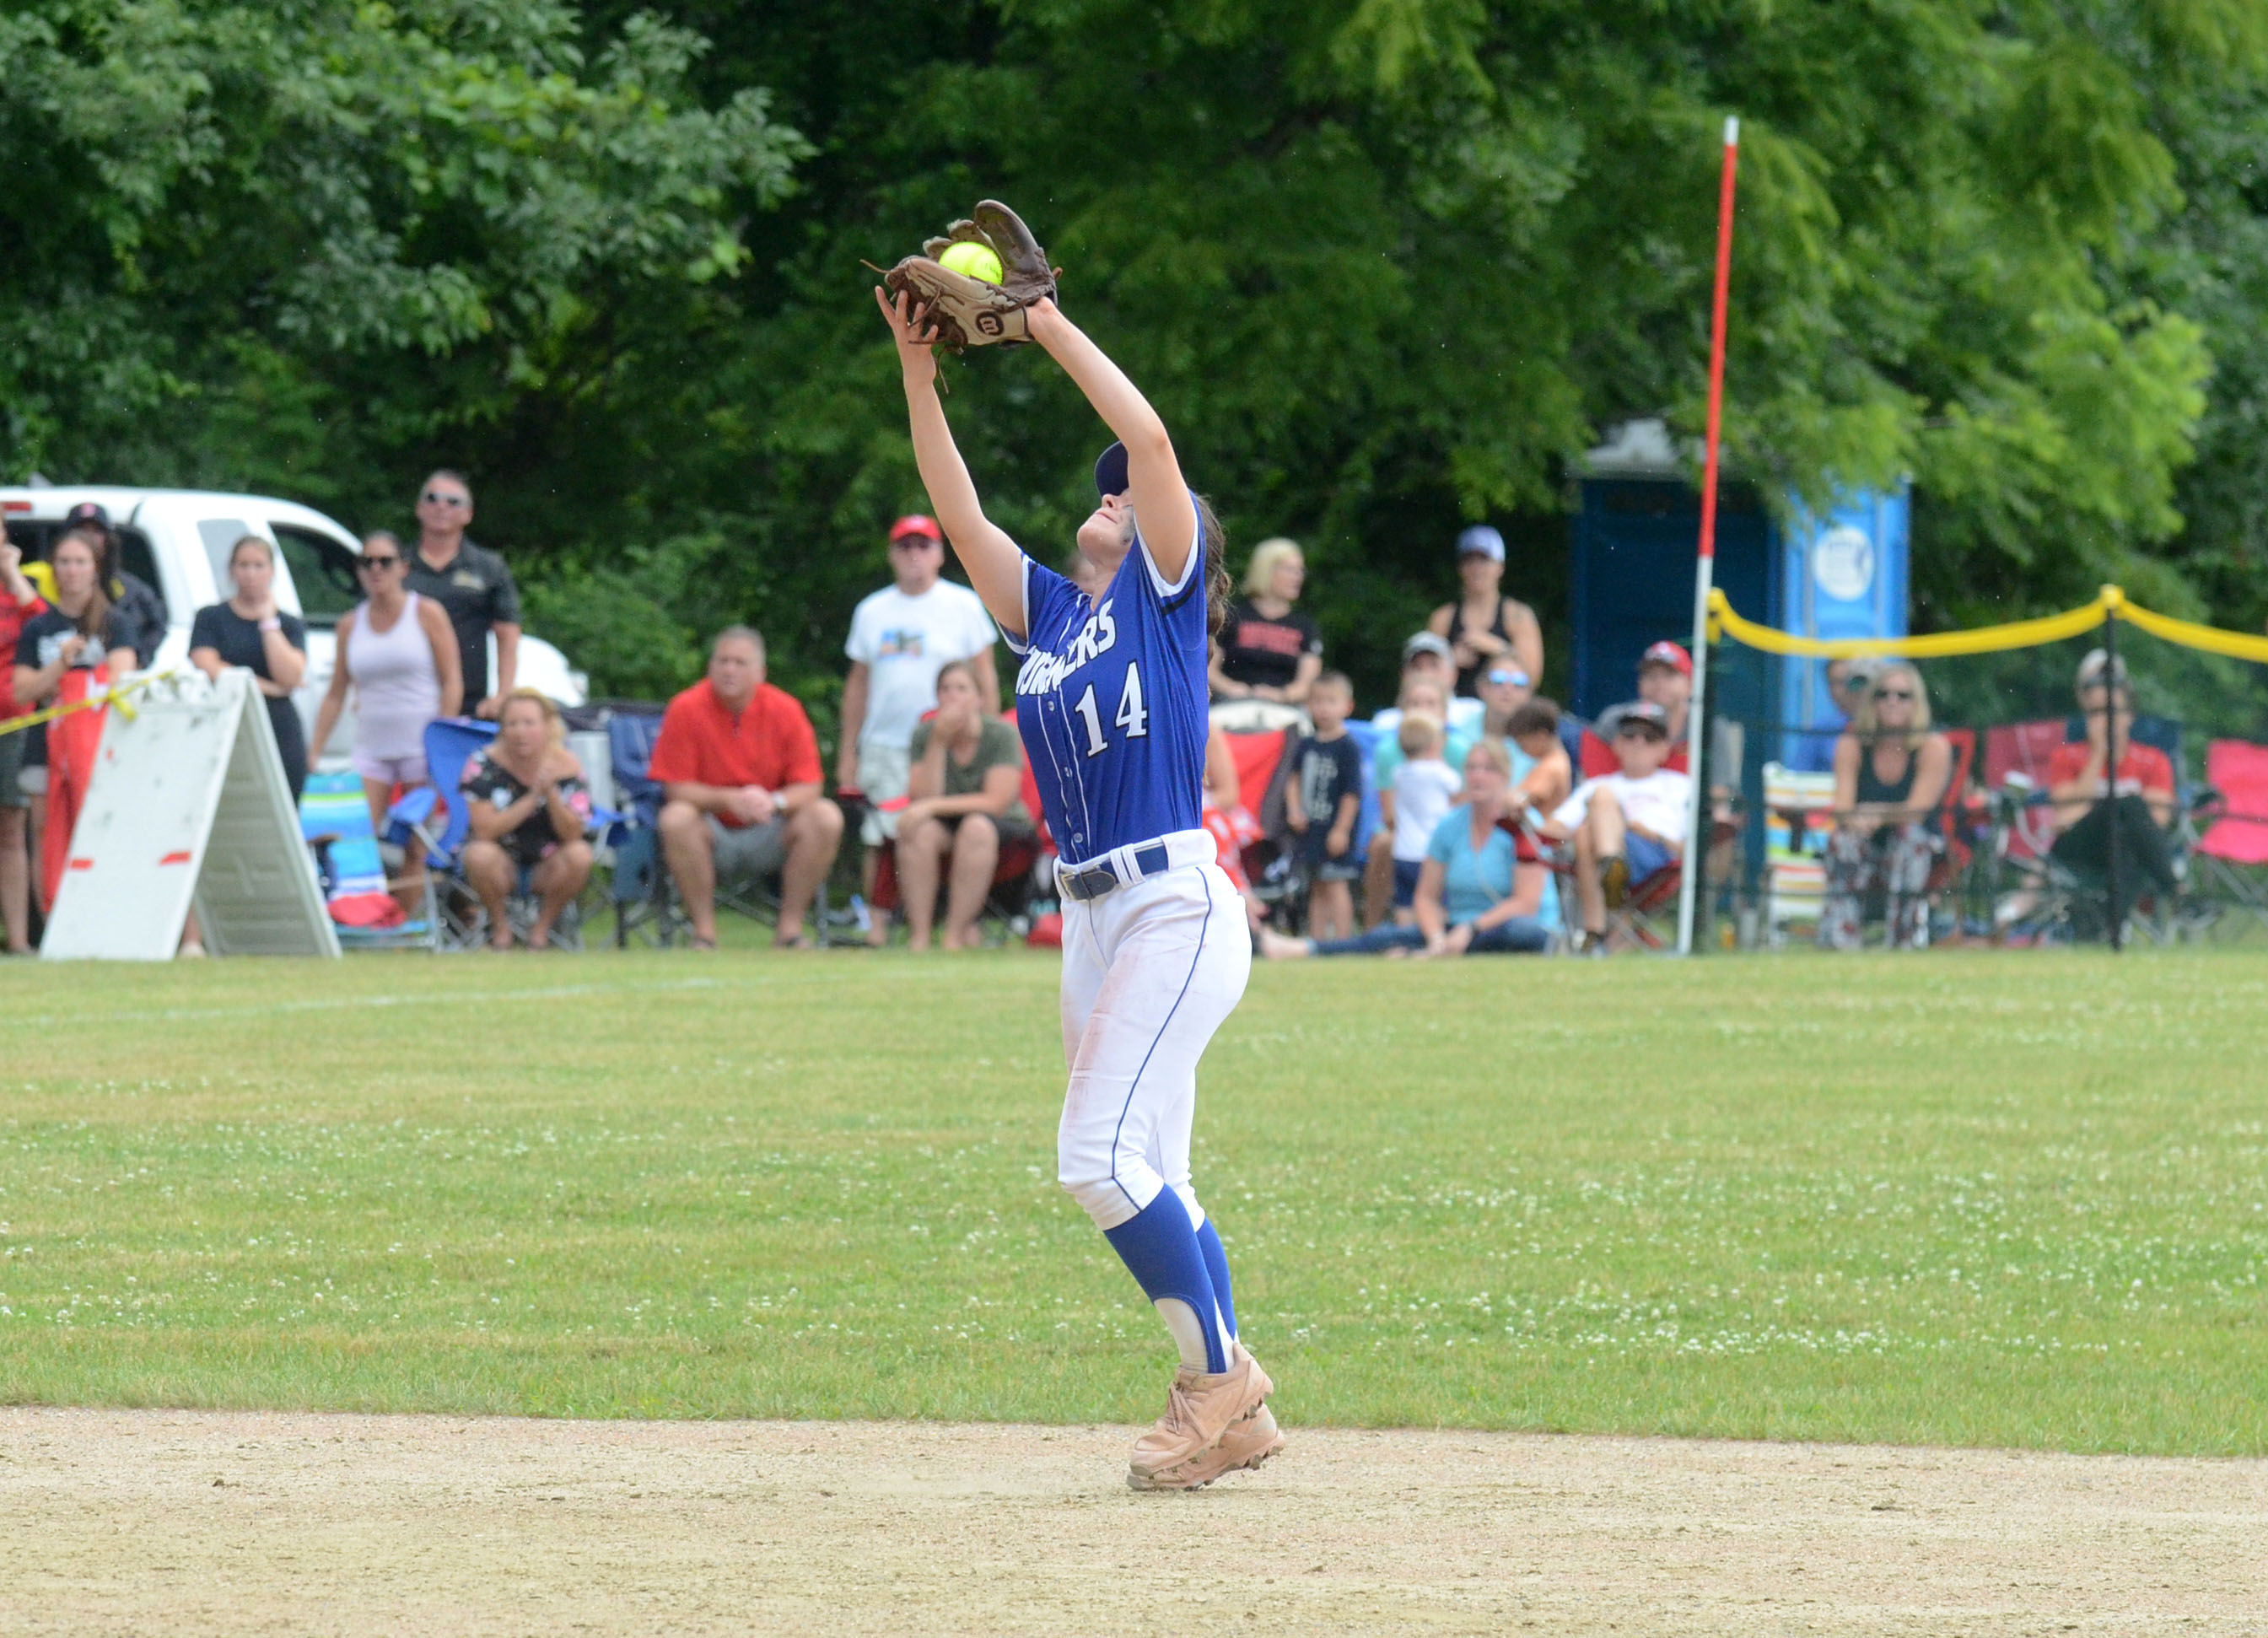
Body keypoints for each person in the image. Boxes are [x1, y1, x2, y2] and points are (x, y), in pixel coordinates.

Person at [879, 204, 1279, 1492]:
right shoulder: (1052, 615)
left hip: (1173, 902)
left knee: (1094, 1158)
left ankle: (1223, 1380)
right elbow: (959, 519)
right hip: (1089, 919)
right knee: (1149, 1162)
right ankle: (1232, 1403)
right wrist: (920, 369)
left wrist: (1039, 317)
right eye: (1101, 492)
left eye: (1130, 496)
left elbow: (1148, 436)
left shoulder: (1164, 602)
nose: (1109, 495)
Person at [838, 512, 999, 945]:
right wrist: (848, 751)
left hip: (954, 743)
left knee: (957, 826)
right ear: (892, 555)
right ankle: (877, 921)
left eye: (923, 545)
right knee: (881, 833)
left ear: (939, 554)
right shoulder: (872, 610)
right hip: (888, 740)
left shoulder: (963, 604)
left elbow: (985, 672)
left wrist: (988, 729)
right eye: (905, 546)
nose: (914, 554)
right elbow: (858, 684)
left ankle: (963, 920)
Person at [1259, 739, 1549, 957]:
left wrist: (1471, 929)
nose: (1478, 776)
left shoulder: (1522, 824)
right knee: (1386, 935)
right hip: (1456, 928)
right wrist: (1437, 937)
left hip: (1504, 927)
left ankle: (1427, 951)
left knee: (1521, 933)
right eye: (1472, 768)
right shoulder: (1450, 825)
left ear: (1506, 775)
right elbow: (1425, 897)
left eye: (1489, 770)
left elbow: (1526, 903)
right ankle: (1303, 948)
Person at [648, 625, 843, 951]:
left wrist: (774, 801)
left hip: (772, 826)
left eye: (740, 663)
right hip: (709, 830)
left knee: (826, 815)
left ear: (760, 672)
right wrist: (727, 800)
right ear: (710, 667)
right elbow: (675, 788)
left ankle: (790, 931)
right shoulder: (685, 708)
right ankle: (704, 934)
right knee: (675, 817)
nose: (729, 670)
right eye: (722, 661)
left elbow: (810, 785)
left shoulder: (786, 710)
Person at [309, 531, 463, 913]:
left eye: (385, 562)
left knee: (415, 841)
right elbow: (336, 692)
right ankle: (363, 915)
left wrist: (441, 743)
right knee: (355, 836)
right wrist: (315, 748)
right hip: (372, 747)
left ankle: (402, 926)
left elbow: (452, 680)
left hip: (419, 745)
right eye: (367, 562)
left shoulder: (425, 613)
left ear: (403, 568)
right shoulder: (350, 624)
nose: (376, 570)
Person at [11, 527, 141, 911]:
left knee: (98, 824)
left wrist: (72, 683)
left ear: (95, 569)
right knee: (45, 829)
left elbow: (121, 677)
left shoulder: (115, 623)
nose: (71, 571)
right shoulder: (38, 627)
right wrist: (62, 665)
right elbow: (22, 690)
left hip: (99, 744)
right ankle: (53, 919)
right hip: (45, 744)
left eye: (80, 562)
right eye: (64, 562)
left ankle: (100, 912)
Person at [897, 658, 1032, 951]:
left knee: (976, 827)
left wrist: (931, 808)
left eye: (961, 688)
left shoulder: (1000, 734)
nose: (952, 696)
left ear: (978, 698)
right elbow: (923, 796)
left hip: (1001, 824)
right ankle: (919, 936)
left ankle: (954, 936)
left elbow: (995, 802)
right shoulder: (925, 734)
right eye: (945, 689)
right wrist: (938, 742)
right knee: (917, 832)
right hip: (947, 821)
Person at [1820, 660, 1953, 951]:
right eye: (1883, 694)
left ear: (1917, 702)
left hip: (1916, 850)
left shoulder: (1933, 746)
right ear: (1872, 702)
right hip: (1867, 848)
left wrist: (1877, 814)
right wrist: (1858, 820)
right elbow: (1842, 808)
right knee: (1843, 840)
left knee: (1910, 839)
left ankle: (1901, 942)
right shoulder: (1852, 742)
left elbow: (1918, 810)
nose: (1892, 702)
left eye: (1903, 695)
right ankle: (1843, 942)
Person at [2044, 649, 2178, 930]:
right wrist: (2097, 756)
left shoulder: (2154, 760)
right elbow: (2066, 818)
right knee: (2125, 806)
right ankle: (2177, 893)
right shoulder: (2066, 757)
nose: (2105, 720)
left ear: (2129, 716)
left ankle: (2104, 929)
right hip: (2080, 848)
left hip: (2128, 849)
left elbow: (2157, 823)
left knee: (2125, 834)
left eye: (2112, 712)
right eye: (2096, 713)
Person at [1548, 699, 1691, 953]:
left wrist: (1641, 830)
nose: (1638, 743)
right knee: (1585, 826)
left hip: (1657, 858)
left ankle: (1595, 930)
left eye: (1650, 737)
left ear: (1664, 749)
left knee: (1599, 802)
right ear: (1616, 744)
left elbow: (1689, 845)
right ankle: (1611, 867)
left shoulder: (1681, 786)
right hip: (1601, 854)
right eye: (1630, 735)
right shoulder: (1594, 785)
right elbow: (1554, 829)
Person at [459, 688, 595, 951]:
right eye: (512, 724)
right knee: (478, 854)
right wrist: (532, 798)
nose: (520, 731)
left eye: (529, 723)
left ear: (547, 726)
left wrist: (552, 794)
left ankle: (541, 931)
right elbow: (485, 830)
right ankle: (501, 929)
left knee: (580, 854)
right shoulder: (482, 765)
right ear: (502, 729)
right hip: (501, 861)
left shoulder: (567, 765)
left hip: (549, 863)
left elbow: (573, 834)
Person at [189, 536, 311, 802]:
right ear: (232, 570)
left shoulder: (288, 624)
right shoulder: (211, 618)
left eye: (258, 565)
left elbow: (291, 675)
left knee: (285, 803)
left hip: (278, 725)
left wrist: (268, 623)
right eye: (243, 565)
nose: (251, 573)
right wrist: (268, 688)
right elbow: (207, 663)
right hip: (228, 718)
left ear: (272, 571)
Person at [403, 471, 521, 719]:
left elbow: (507, 633)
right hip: (405, 699)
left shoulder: (488, 567)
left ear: (468, 514)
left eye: (453, 501)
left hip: (468, 704)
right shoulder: (397, 566)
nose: (441, 506)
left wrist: (503, 695)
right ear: (419, 508)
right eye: (432, 498)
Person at [1284, 671, 1362, 940]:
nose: (1324, 708)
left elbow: (1352, 794)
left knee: (1336, 884)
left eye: (1331, 701)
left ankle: (1342, 943)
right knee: (1317, 886)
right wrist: (1294, 810)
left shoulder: (1348, 747)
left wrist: (1341, 829)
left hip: (1334, 830)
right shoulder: (1306, 744)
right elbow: (1293, 780)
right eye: (1317, 701)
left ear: (1347, 706)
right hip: (1310, 829)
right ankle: (1316, 943)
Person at [1425, 525, 1543, 698]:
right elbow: (1423, 678)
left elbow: (1532, 678)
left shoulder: (1518, 616)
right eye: (1469, 560)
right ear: (1460, 568)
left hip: (1503, 714)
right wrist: (1451, 661)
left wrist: (1497, 648)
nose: (1476, 568)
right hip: (1455, 712)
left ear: (1500, 567)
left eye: (1484, 559)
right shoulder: (1443, 618)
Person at [0, 536, 47, 952]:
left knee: (12, 832)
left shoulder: (19, 590)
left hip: (12, 723)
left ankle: (18, 941)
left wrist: (13, 575)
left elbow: (46, 626)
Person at [1209, 537, 1322, 704]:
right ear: (1266, 570)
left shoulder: (1304, 626)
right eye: (1290, 570)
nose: (1297, 577)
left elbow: (1306, 685)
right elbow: (1209, 668)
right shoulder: (1232, 616)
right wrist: (1232, 688)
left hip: (1284, 711)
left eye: (1300, 571)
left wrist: (1280, 695)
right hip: (1231, 706)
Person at [61, 502, 164, 667]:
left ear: (108, 539)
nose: (89, 538)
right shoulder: (38, 578)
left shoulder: (131, 589)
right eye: (81, 531)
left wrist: (137, 662)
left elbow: (156, 626)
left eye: (97, 531)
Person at [1383, 713, 1461, 924]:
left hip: (1403, 850)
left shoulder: (1399, 773)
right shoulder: (1440, 773)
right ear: (1435, 745)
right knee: (1437, 901)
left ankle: (1403, 941)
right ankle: (1437, 940)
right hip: (1432, 852)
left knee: (1405, 902)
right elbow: (1459, 792)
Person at [1789, 656, 1880, 775]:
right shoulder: (1821, 730)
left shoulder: (1891, 728)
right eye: (1834, 683)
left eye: (1863, 683)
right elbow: (1797, 777)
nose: (1860, 690)